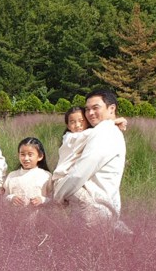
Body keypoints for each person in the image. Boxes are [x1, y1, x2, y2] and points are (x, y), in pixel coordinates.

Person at [52, 89, 128, 227]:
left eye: (95, 108)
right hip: (101, 206)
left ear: (111, 109)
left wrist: (59, 194)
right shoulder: (106, 130)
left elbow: (80, 172)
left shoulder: (105, 132)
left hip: (93, 208)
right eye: (87, 109)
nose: (90, 113)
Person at [3, 137, 51, 207]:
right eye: (22, 154)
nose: (26, 158)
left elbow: (54, 199)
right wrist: (11, 198)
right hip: (14, 216)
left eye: (30, 154)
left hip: (40, 216)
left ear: (40, 156)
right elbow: (3, 197)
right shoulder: (12, 176)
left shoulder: (46, 176)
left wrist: (42, 200)